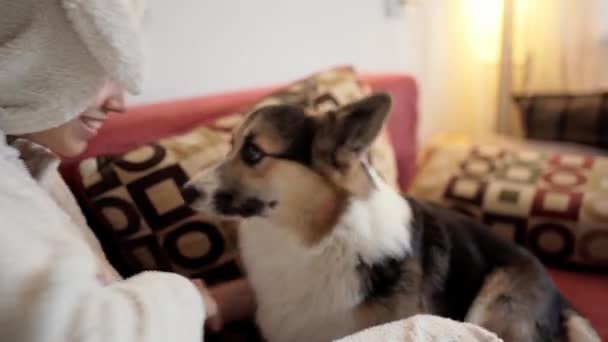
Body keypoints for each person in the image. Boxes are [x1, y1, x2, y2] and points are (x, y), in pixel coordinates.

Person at [0, 0, 253, 341]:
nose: (120, 102)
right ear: (30, 47)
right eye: (99, 65)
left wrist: (221, 301)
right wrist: (190, 300)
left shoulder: (23, 156)